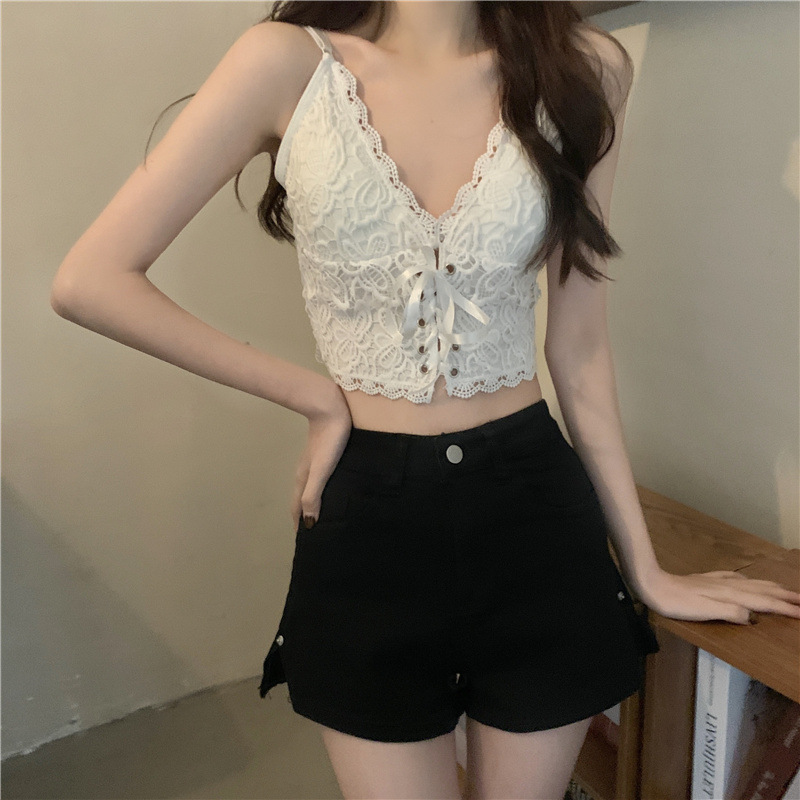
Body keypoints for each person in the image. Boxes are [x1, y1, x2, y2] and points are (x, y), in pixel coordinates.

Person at [50, 2, 800, 798]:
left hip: (536, 515)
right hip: (369, 523)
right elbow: (91, 280)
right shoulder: (286, 64)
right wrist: (316, 396)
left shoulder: (587, 70)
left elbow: (579, 347)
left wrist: (645, 569)